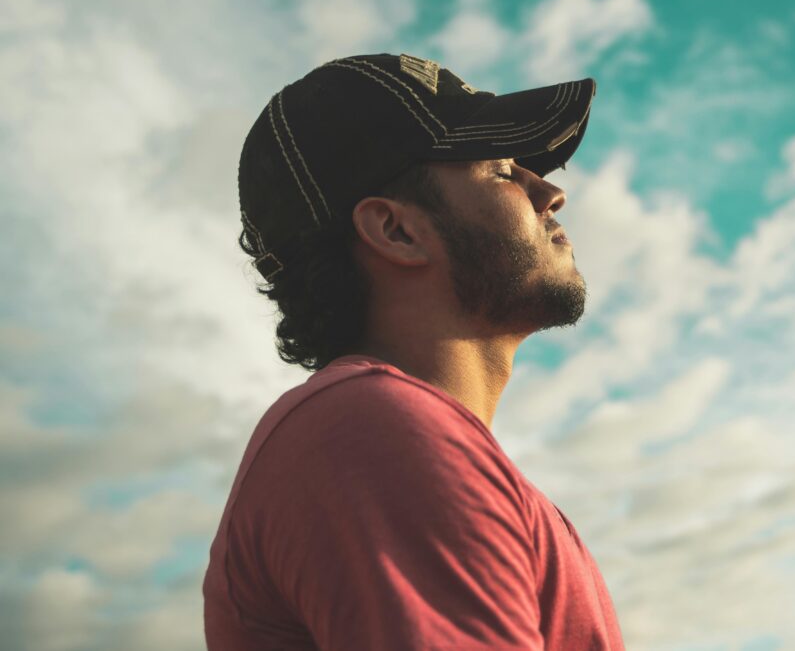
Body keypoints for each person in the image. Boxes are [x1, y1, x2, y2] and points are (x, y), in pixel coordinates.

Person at [202, 52, 624, 650]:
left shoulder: (390, 436)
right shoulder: (373, 431)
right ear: (397, 231)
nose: (550, 191)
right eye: (503, 169)